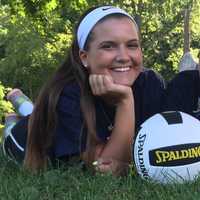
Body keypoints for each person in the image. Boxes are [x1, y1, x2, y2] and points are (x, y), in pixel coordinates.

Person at [2, 5, 200, 175]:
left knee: (32, 110)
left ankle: (22, 103)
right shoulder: (68, 95)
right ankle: (12, 116)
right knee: (24, 121)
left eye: (132, 45)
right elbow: (103, 168)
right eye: (109, 46)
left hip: (46, 118)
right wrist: (125, 100)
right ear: (84, 57)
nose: (123, 56)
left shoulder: (149, 82)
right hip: (21, 139)